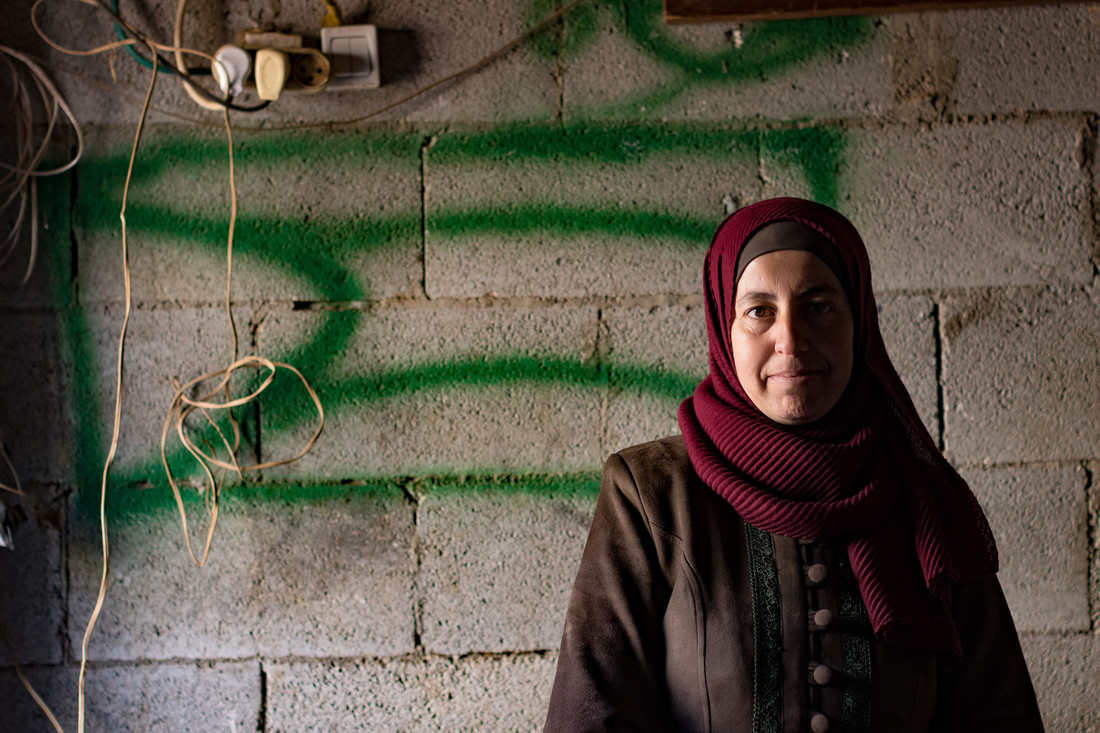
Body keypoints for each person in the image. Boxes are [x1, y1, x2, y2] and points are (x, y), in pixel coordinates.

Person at [544, 197, 1044, 732]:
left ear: (860, 321)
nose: (791, 340)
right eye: (759, 311)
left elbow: (999, 716)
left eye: (819, 305)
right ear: (724, 328)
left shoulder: (925, 499)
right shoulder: (652, 494)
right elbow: (592, 717)